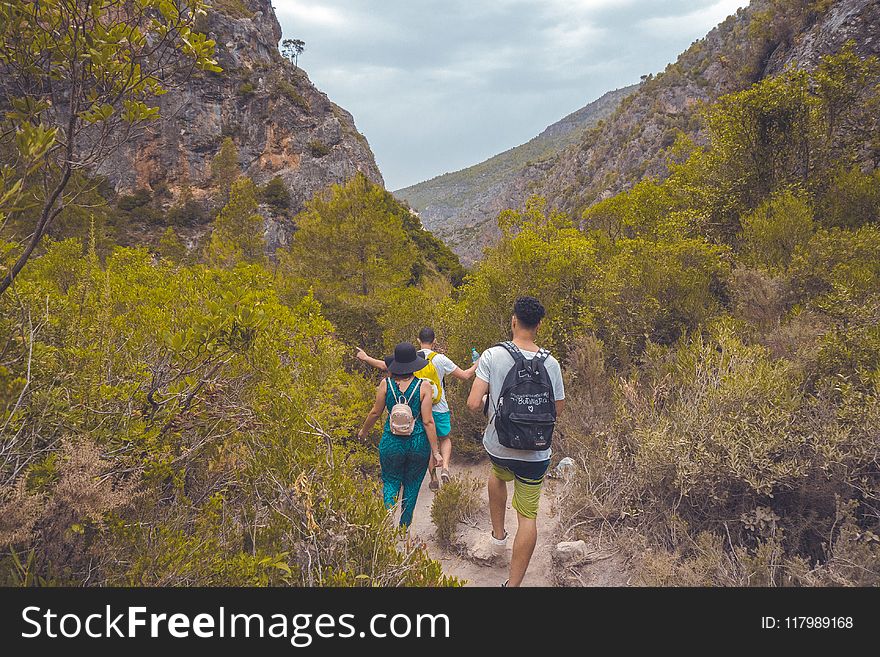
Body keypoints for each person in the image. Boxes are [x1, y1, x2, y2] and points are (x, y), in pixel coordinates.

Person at [466, 296, 565, 587]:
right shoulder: (552, 363)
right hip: (536, 452)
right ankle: (514, 584)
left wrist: (490, 401)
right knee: (528, 516)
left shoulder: (492, 355)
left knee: (497, 476)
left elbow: (473, 403)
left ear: (513, 321)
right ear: (539, 325)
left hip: (500, 447)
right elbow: (557, 409)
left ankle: (498, 539)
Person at [356, 327, 478, 490]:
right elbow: (465, 375)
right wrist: (479, 362)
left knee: (427, 443)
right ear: (434, 341)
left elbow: (384, 366)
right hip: (440, 406)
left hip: (418, 409)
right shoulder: (441, 359)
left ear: (418, 341)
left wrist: (365, 357)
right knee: (445, 438)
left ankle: (433, 477)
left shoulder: (411, 359)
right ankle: (446, 468)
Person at [356, 342, 443, 528]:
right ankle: (404, 530)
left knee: (390, 481)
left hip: (391, 441)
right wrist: (436, 452)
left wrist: (363, 431)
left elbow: (375, 412)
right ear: (414, 365)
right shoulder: (424, 386)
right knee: (412, 485)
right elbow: (428, 421)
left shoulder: (385, 384)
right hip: (417, 443)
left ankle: (387, 521)